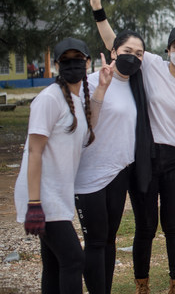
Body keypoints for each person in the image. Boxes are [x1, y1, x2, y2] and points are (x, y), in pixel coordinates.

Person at [84, 0, 175, 294]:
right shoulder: (150, 65)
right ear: (167, 49)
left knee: (174, 226)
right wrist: (98, 9)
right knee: (146, 227)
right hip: (145, 158)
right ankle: (142, 284)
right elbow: (116, 43)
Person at [14, 37, 113, 293]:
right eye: (66, 61)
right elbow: (34, 150)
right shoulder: (49, 99)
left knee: (55, 263)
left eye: (78, 60)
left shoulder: (76, 99)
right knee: (73, 260)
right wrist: (34, 204)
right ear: (57, 65)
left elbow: (90, 125)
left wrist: (102, 87)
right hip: (42, 196)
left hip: (57, 194)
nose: (73, 65)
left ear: (87, 62)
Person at [74, 30, 151, 294]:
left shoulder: (135, 85)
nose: (133, 57)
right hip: (89, 175)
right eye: (127, 51)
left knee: (109, 239)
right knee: (95, 242)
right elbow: (79, 125)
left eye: (139, 54)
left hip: (119, 173)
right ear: (114, 52)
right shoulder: (92, 81)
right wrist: (101, 89)